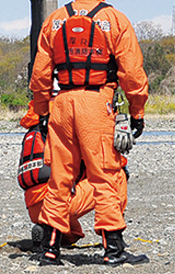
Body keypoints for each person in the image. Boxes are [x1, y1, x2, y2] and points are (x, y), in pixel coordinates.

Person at [30, 0, 148, 266]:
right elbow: (132, 74)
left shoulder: (54, 20)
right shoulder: (115, 19)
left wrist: (42, 112)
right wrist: (136, 112)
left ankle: (50, 249)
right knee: (105, 174)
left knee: (59, 178)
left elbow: (40, 75)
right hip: (97, 104)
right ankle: (114, 250)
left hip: (61, 104)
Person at [17, 100, 116, 251]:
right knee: (116, 177)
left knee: (74, 234)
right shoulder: (63, 127)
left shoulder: (33, 131)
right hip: (57, 203)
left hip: (34, 208)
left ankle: (45, 231)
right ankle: (113, 240)